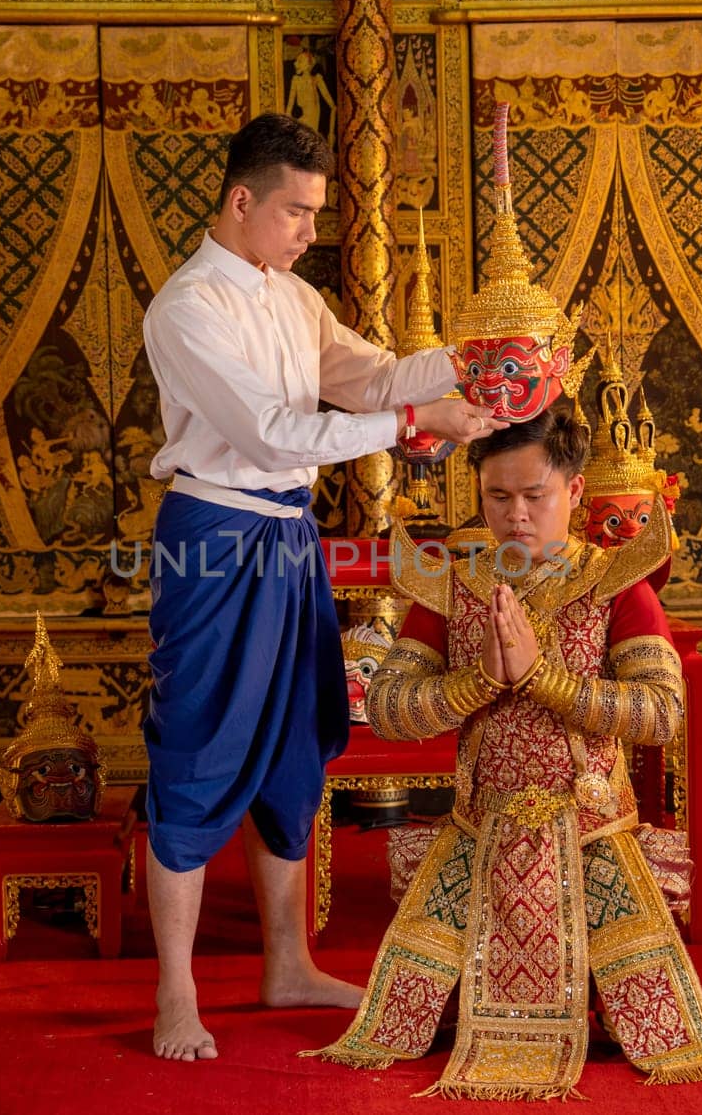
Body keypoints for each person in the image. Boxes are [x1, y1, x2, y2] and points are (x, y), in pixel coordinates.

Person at [139, 112, 502, 1063]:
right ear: (241, 200)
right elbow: (269, 435)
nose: (309, 231)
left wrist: (476, 362)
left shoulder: (294, 300)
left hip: (289, 535)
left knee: (298, 741)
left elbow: (371, 375)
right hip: (215, 535)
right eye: (298, 212)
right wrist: (416, 420)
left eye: (315, 214)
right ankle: (176, 993)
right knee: (198, 744)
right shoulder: (186, 309)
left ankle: (285, 964)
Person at [308, 405, 702, 1098]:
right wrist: (478, 681)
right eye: (497, 497)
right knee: (421, 1014)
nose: (515, 516)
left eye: (534, 496)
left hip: (591, 833)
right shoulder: (453, 586)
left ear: (574, 492)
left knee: (630, 1011)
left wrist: (545, 680)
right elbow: (390, 709)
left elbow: (661, 713)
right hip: (479, 831)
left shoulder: (616, 583)